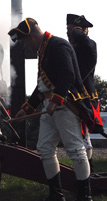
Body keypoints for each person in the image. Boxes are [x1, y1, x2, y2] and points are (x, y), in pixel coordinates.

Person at [8, 18, 92, 201]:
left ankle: (85, 196)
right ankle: (56, 194)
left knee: (76, 150)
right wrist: (27, 109)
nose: (24, 46)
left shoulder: (58, 45)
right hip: (52, 106)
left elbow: (67, 74)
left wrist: (55, 100)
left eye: (23, 41)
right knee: (45, 148)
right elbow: (42, 87)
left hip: (65, 106)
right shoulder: (44, 49)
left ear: (31, 36)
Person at [66, 14, 102, 173]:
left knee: (84, 134)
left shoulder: (89, 45)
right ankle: (87, 170)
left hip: (86, 97)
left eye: (71, 30)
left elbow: (82, 39)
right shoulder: (70, 48)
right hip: (73, 96)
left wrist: (76, 30)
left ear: (82, 30)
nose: (68, 33)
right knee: (81, 136)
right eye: (68, 30)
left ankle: (90, 170)